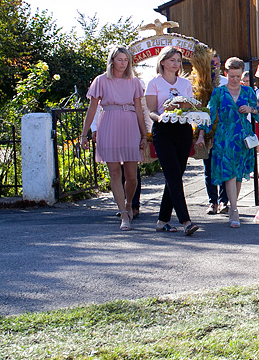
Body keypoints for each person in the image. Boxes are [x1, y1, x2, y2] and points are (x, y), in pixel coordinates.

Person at [80, 46, 148, 230]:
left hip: (130, 124)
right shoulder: (101, 80)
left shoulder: (134, 82)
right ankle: (123, 214)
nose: (123, 63)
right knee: (115, 172)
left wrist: (144, 135)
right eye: (119, 59)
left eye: (126, 60)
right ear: (112, 60)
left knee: (132, 176)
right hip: (109, 123)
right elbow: (92, 109)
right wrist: (84, 134)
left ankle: (128, 205)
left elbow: (140, 111)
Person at [146, 46, 203, 236]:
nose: (176, 64)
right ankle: (186, 221)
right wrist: (160, 117)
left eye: (178, 60)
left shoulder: (185, 83)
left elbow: (191, 105)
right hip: (163, 130)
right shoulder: (154, 83)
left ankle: (162, 221)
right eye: (172, 60)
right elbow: (152, 111)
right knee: (172, 175)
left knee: (176, 175)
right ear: (162, 61)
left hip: (183, 129)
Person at [208, 57, 259, 228]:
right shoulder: (219, 92)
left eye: (238, 76)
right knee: (229, 173)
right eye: (231, 76)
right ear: (226, 73)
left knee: (238, 175)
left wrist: (251, 109)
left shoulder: (248, 92)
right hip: (224, 137)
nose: (235, 80)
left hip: (243, 137)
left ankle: (233, 205)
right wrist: (200, 134)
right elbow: (209, 114)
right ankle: (234, 209)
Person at [204, 54, 229, 215]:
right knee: (209, 168)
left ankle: (224, 201)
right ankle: (212, 201)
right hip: (208, 130)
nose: (215, 66)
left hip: (225, 131)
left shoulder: (226, 82)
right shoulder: (202, 82)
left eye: (217, 63)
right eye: (212, 63)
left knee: (225, 167)